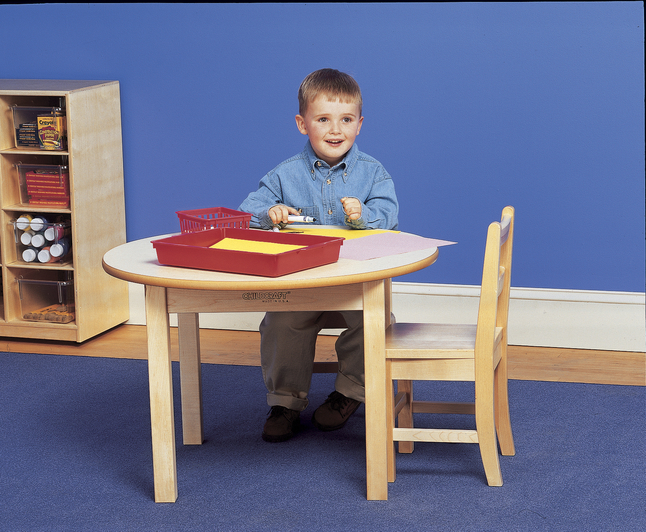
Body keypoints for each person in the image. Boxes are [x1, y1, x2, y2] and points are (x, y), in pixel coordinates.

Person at [238, 68, 399, 442]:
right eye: (323, 119)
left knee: (374, 321)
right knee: (281, 323)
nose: (335, 130)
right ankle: (285, 402)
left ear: (359, 124)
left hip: (355, 287)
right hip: (301, 288)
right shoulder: (284, 175)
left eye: (345, 120)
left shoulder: (374, 174)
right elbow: (245, 215)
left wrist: (364, 216)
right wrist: (269, 214)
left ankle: (348, 392)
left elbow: (390, 219)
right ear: (302, 123)